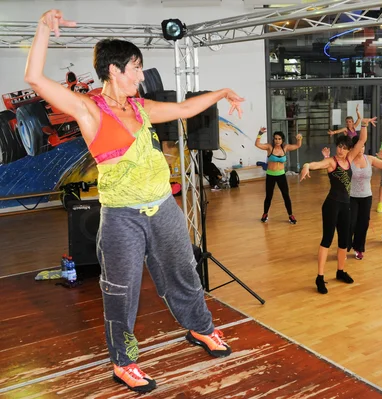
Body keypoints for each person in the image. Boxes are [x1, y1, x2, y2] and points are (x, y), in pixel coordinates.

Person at [24, 10, 243, 393]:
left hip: (163, 208)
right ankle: (123, 363)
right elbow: (34, 79)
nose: (142, 76)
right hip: (122, 218)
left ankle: (201, 328)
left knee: (184, 273)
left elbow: (185, 109)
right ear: (114, 70)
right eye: (136, 68)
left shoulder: (141, 108)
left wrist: (222, 92)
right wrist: (43, 27)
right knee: (120, 292)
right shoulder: (90, 109)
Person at [300, 117, 377, 294]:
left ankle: (340, 271)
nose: (341, 150)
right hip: (331, 205)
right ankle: (319, 277)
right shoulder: (332, 162)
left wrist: (363, 123)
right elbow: (316, 164)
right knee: (327, 240)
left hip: (346, 205)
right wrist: (306, 165)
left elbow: (362, 140)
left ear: (349, 149)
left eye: (344, 147)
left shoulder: (349, 159)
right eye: (339, 147)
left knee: (344, 241)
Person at [322, 136, 382, 260]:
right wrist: (326, 159)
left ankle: (358, 248)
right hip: (351, 197)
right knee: (350, 223)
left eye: (363, 146)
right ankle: (345, 248)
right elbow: (335, 169)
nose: (361, 149)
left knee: (363, 224)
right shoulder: (348, 161)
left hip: (366, 196)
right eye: (359, 146)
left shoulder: (369, 159)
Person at [255, 128, 303, 224]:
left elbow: (298, 145)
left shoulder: (285, 148)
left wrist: (299, 138)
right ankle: (265, 214)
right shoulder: (269, 147)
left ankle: (290, 215)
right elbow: (257, 144)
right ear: (273, 139)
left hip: (281, 175)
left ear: (282, 140)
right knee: (269, 196)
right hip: (270, 175)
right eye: (276, 139)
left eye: (279, 139)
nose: (277, 141)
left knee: (286, 195)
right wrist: (259, 134)